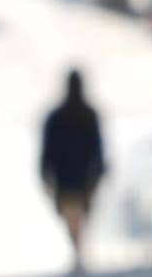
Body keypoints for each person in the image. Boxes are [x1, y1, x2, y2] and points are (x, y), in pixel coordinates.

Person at [40, 69, 105, 269]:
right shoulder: (87, 115)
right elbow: (98, 149)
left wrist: (45, 174)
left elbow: (47, 152)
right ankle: (78, 252)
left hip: (68, 179)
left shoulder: (58, 117)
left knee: (74, 219)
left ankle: (77, 252)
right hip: (80, 178)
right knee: (78, 219)